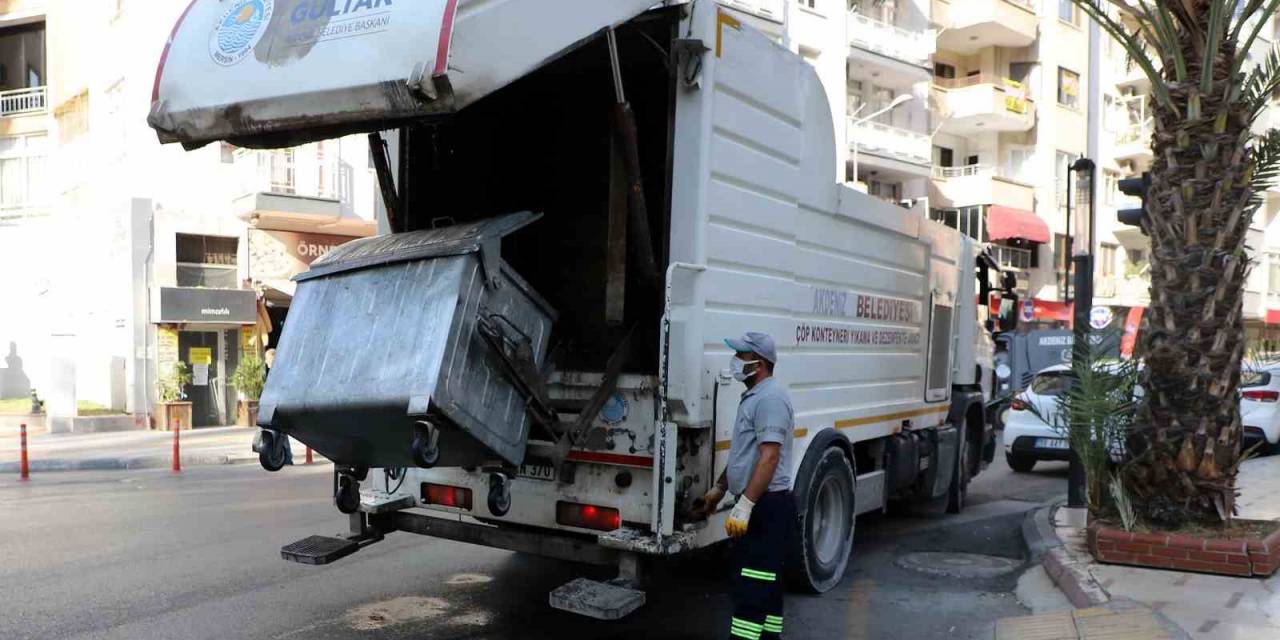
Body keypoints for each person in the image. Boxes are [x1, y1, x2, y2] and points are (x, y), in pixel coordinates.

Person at [696, 331, 795, 640]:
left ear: (759, 363)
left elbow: (769, 457)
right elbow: (746, 456)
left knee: (751, 589)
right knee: (765, 585)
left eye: (741, 355)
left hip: (766, 508)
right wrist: (719, 489)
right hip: (760, 505)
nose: (736, 361)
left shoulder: (770, 400)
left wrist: (746, 505)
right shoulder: (755, 397)